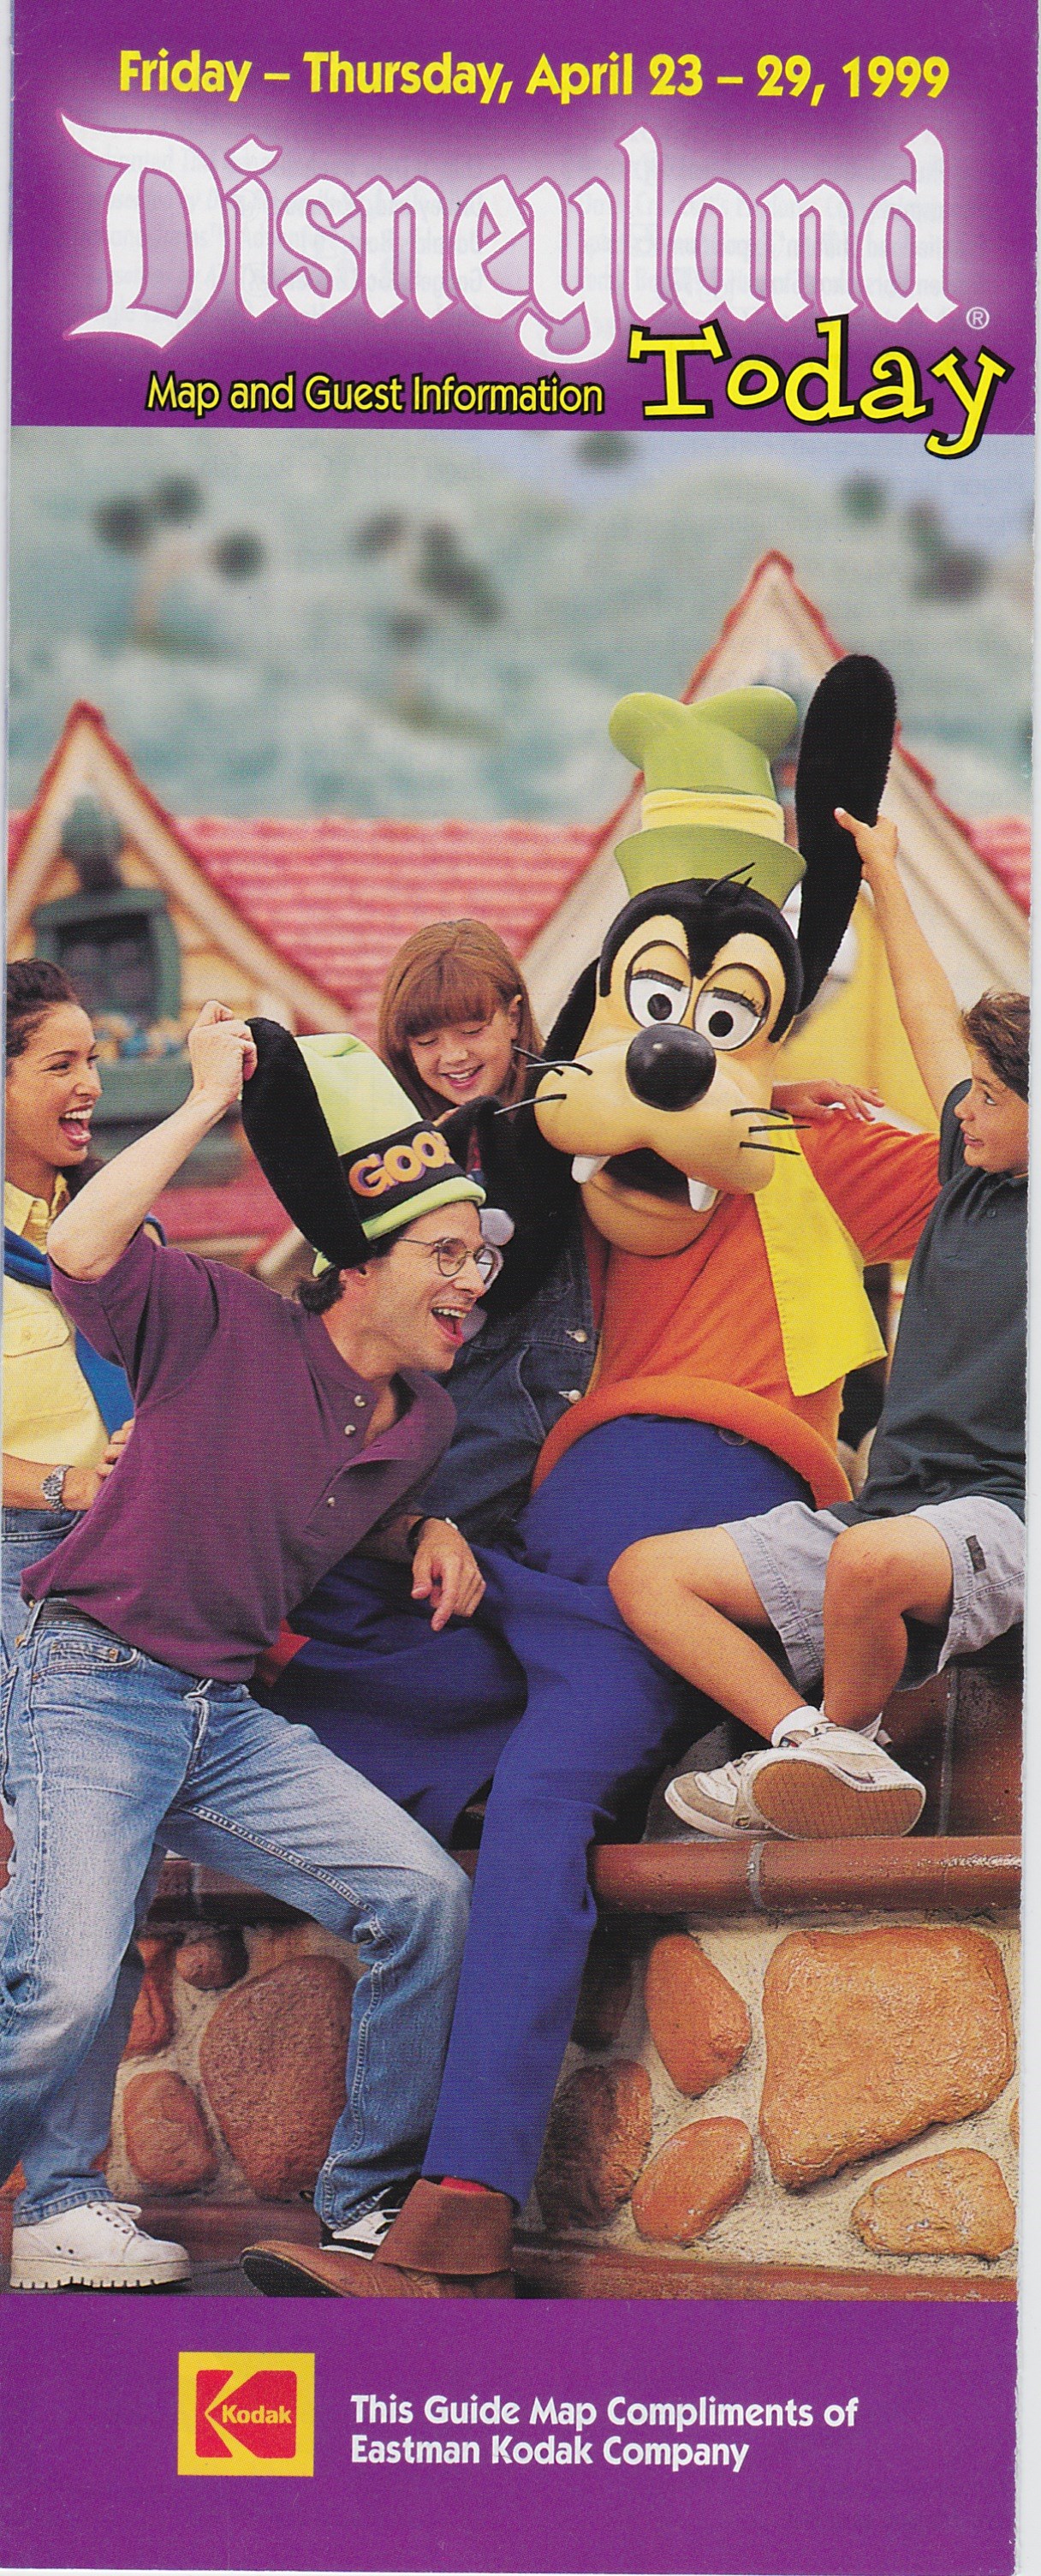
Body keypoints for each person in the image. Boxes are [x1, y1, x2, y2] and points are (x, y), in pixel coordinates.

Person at [1, 1003, 501, 2295]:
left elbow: (318, 1495)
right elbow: (83, 1246)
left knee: (424, 1899)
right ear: (361, 1263)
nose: (472, 1280)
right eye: (447, 1253)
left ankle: (364, 2208)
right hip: (91, 1676)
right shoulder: (216, 1316)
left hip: (221, 1719)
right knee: (59, 1990)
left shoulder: (423, 1420)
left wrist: (427, 1529)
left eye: (482, 1256)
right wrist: (197, 1105)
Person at [610, 808, 1027, 1841]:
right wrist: (886, 875)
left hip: (1004, 1515)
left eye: (985, 1094)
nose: (959, 1105)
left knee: (868, 1563)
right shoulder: (969, 1174)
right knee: (648, 1573)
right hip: (891, 1507)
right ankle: (812, 1744)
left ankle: (845, 1747)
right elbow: (927, 1010)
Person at [3, 960, 134, 1658]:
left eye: (92, 1060)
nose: (91, 1085)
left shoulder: (122, 1227)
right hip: (21, 1551)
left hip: (144, 1535)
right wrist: (74, 1486)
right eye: (61, 1065)